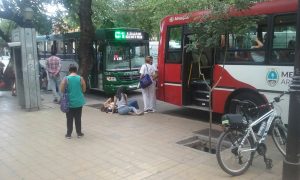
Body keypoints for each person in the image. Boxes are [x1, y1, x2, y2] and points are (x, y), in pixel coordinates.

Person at [60, 65, 86, 139]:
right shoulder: (80, 78)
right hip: (79, 102)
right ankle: (79, 133)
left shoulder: (66, 78)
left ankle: (68, 134)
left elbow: (62, 89)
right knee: (78, 118)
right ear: (76, 70)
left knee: (69, 118)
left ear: (69, 70)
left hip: (69, 102)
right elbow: (84, 89)